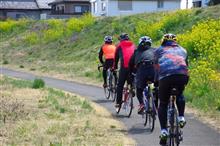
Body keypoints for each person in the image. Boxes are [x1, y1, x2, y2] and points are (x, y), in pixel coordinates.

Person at [154, 33, 189, 145]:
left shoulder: (158, 50)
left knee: (163, 103)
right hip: (182, 75)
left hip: (165, 76)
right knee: (180, 93)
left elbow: (156, 68)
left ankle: (164, 130)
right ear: (175, 41)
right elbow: (186, 65)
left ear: (162, 41)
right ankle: (181, 117)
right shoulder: (183, 50)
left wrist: (156, 82)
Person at [129, 36, 158, 114]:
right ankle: (156, 105)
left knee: (139, 89)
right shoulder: (154, 50)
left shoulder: (136, 52)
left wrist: (132, 73)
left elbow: (131, 64)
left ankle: (142, 104)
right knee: (156, 87)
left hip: (142, 70)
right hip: (153, 70)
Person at [114, 33, 135, 108]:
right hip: (133, 67)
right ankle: (132, 88)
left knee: (120, 85)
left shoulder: (119, 46)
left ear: (121, 40)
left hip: (124, 67)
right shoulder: (133, 45)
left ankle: (118, 103)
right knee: (131, 80)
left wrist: (115, 67)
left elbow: (116, 58)